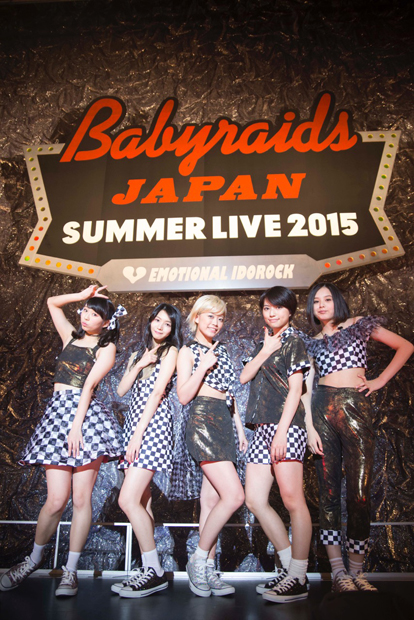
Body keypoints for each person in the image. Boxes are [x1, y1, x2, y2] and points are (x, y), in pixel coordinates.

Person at [0, 285, 126, 597]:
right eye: (85, 311)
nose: (86, 316)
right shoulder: (70, 336)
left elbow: (89, 387)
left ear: (106, 323)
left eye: (94, 314)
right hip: (58, 415)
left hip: (84, 419)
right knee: (56, 500)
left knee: (82, 499)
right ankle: (33, 560)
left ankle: (70, 571)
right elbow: (51, 302)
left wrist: (77, 427)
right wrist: (82, 296)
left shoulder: (106, 348)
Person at [302, 282, 414, 593]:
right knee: (328, 493)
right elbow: (306, 387)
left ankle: (357, 570)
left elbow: (405, 346)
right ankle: (338, 572)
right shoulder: (310, 342)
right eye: (316, 301)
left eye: (327, 299)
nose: (322, 305)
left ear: (337, 301)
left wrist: (380, 380)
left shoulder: (358, 325)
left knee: (359, 493)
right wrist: (309, 426)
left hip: (356, 406)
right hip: (322, 408)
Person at [240, 286, 317, 604]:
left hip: (285, 427)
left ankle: (299, 575)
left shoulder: (294, 342)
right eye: (266, 308)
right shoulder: (265, 343)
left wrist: (283, 432)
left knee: (292, 499)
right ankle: (289, 568)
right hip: (261, 428)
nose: (271, 313)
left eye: (278, 307)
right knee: (254, 500)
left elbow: (296, 390)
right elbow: (244, 377)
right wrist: (265, 350)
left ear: (290, 310)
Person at [177, 295, 248, 598]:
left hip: (224, 421)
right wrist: (202, 367)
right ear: (196, 317)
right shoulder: (187, 351)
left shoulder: (224, 350)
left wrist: (239, 428)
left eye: (220, 319)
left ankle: (208, 567)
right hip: (203, 420)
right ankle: (197, 559)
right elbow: (183, 396)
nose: (216, 323)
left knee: (211, 500)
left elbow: (229, 394)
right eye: (210, 317)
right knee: (234, 496)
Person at [111, 303, 182, 598]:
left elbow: (157, 392)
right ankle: (148, 568)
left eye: (167, 323)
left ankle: (154, 570)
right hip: (133, 426)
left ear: (173, 329)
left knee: (127, 500)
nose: (160, 326)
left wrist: (139, 433)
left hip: (151, 427)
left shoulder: (171, 352)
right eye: (157, 320)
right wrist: (140, 363)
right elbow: (120, 390)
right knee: (142, 501)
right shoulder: (138, 354)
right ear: (150, 321)